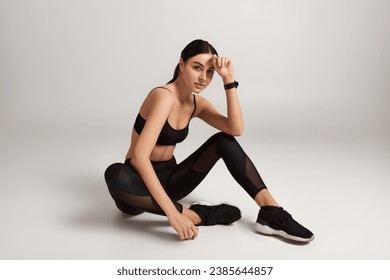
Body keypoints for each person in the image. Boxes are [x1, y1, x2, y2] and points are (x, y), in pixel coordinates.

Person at [104, 39, 314, 242]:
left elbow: (236, 129)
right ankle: (199, 215)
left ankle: (271, 211)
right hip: (136, 185)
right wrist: (174, 215)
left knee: (224, 140)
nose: (203, 78)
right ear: (181, 63)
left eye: (210, 72)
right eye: (197, 67)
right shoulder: (163, 96)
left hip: (171, 182)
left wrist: (228, 80)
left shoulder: (196, 104)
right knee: (114, 173)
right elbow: (140, 157)